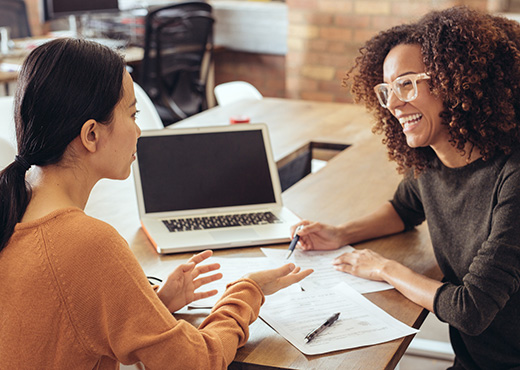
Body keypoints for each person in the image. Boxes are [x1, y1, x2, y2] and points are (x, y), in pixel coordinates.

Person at [0, 38, 312, 369]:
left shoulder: (14, 207)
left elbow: (63, 328)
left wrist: (153, 305)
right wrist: (246, 292)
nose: (138, 131)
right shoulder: (87, 243)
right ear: (91, 135)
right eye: (132, 114)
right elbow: (196, 362)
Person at [291, 7, 520, 370]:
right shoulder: (433, 161)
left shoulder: (513, 176)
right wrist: (339, 233)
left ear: (458, 82)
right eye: (387, 89)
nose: (395, 103)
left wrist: (384, 269)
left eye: (407, 83)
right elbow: (403, 208)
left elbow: (471, 310)